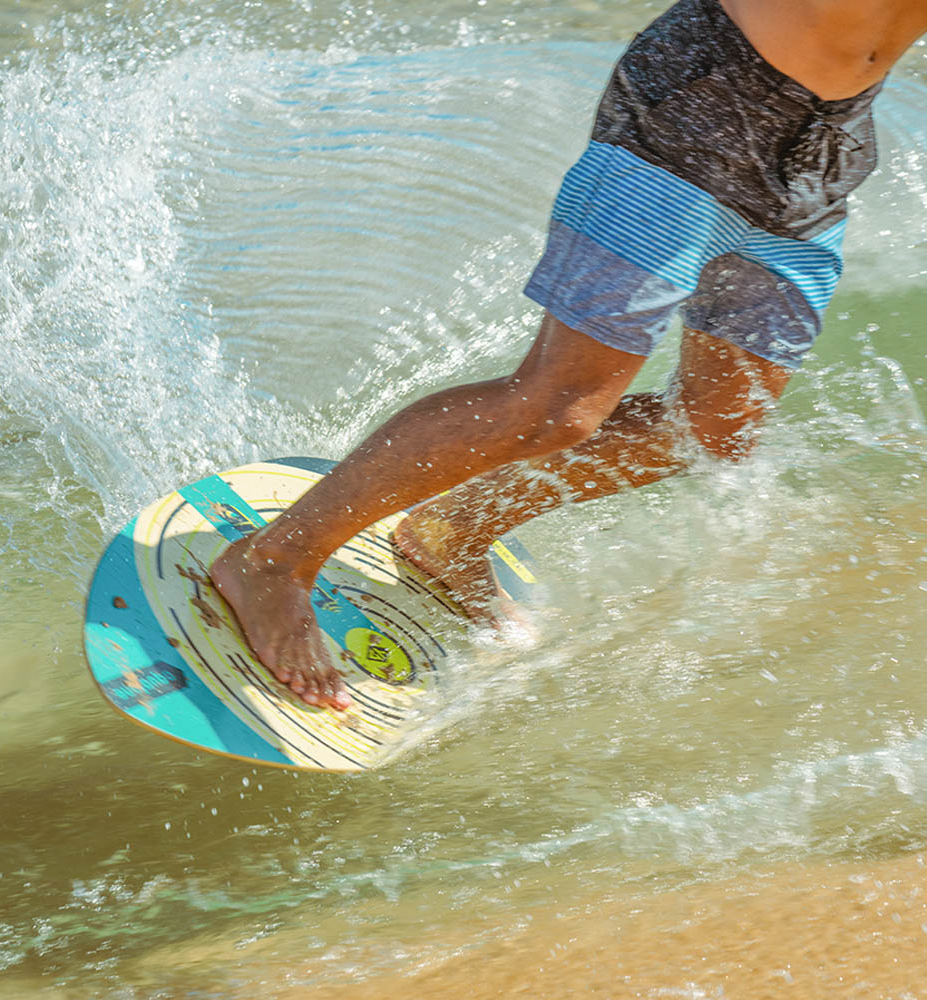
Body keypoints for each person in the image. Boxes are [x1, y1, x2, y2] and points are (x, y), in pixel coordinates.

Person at [212, 0, 927, 711]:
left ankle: (452, 531)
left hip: (821, 157)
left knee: (713, 427)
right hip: (698, 116)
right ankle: (274, 559)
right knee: (557, 406)